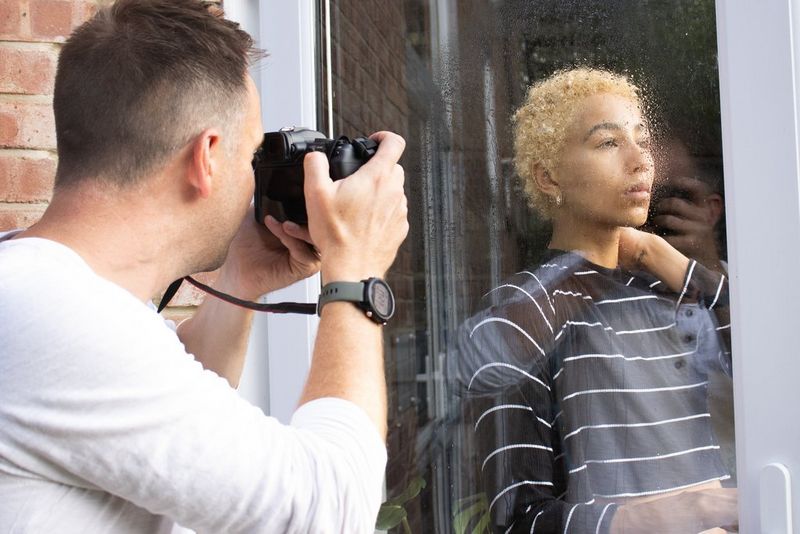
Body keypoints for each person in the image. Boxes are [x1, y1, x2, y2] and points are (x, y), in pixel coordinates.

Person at [0, 1, 408, 533]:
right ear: (207, 156)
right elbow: (329, 511)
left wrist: (241, 279)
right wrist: (356, 272)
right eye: (251, 155)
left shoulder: (40, 291)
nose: (253, 179)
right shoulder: (59, 317)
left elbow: (165, 426)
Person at [452, 68, 736, 533]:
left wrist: (670, 262)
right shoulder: (528, 310)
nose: (640, 161)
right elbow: (519, 518)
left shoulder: (670, 287)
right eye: (608, 142)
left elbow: (771, 375)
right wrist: (685, 512)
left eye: (643, 141)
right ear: (548, 177)